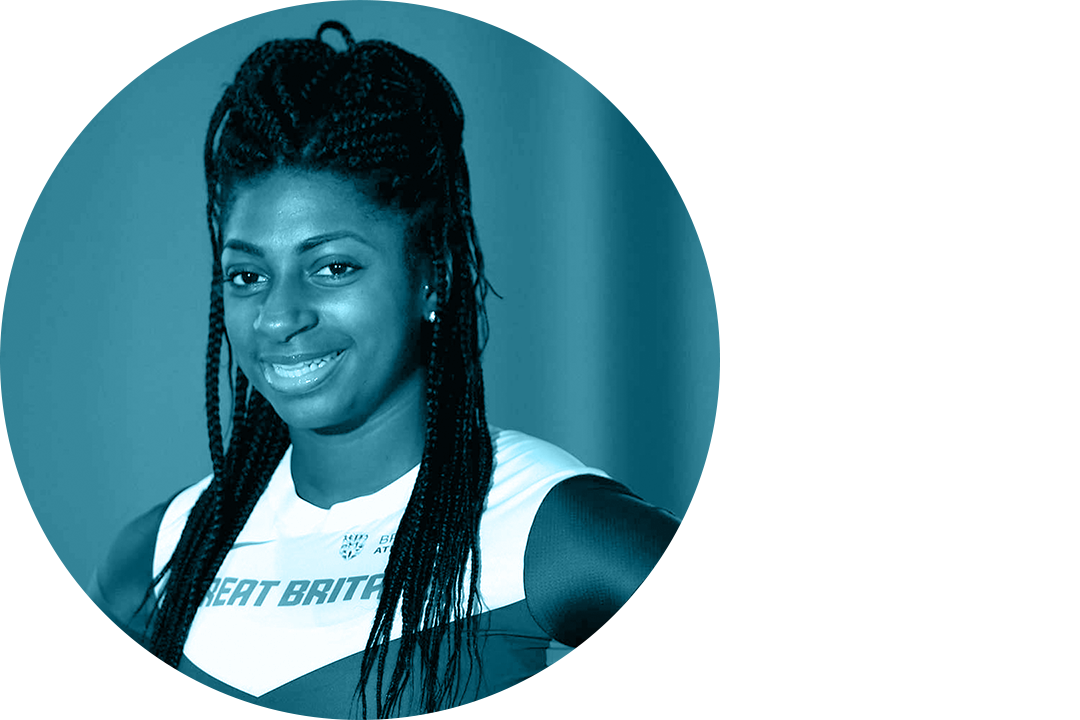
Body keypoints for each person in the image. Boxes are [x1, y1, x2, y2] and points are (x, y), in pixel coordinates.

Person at [5, 21, 718, 720]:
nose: (280, 317)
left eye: (333, 267)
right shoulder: (170, 550)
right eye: (248, 276)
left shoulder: (557, 536)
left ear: (433, 274)